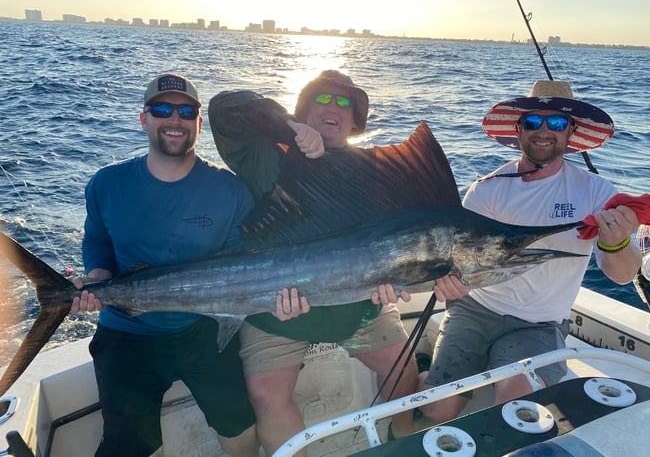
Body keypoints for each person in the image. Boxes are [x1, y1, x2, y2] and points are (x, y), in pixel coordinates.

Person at [208, 70, 418, 455]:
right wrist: (286, 129)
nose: (333, 107)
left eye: (344, 103)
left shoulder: (375, 173)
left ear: (356, 122)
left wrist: (396, 276)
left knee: (405, 369)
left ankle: (403, 440)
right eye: (322, 99)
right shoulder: (270, 155)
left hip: (358, 308)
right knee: (267, 395)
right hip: (275, 307)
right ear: (303, 112)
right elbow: (222, 109)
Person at [414, 80, 642, 423]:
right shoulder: (485, 191)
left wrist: (617, 240)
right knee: (436, 411)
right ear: (519, 130)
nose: (544, 131)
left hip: (539, 324)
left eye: (557, 123)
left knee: (518, 412)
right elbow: (458, 261)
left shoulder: (597, 192)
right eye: (534, 122)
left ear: (571, 133)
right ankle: (426, 376)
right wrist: (450, 283)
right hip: (476, 308)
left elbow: (622, 275)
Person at [69, 73, 271, 457]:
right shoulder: (106, 183)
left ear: (198, 122)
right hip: (126, 330)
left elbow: (240, 263)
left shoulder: (230, 190)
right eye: (162, 109)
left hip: (201, 327)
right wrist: (97, 277)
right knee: (126, 445)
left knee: (239, 425)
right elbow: (97, 240)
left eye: (186, 110)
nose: (174, 119)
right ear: (144, 119)